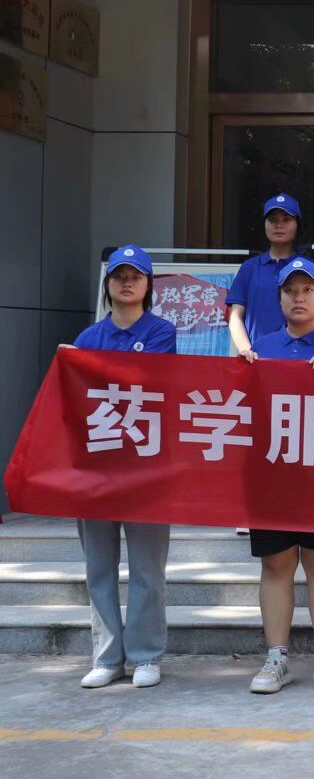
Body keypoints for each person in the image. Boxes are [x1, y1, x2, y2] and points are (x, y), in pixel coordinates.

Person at [239, 257, 314, 695]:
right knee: (275, 564)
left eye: (307, 290)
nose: (299, 298)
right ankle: (276, 658)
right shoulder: (261, 348)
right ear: (278, 299)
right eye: (290, 291)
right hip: (272, 476)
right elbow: (241, 412)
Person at [68, 245, 178, 689]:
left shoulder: (162, 332)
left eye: (135, 276)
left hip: (146, 467)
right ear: (108, 284)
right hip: (96, 467)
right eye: (118, 276)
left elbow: (147, 382)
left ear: (149, 285)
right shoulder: (87, 338)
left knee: (147, 568)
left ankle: (146, 655)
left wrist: (97, 373)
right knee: (99, 566)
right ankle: (107, 656)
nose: (126, 282)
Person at [226, 193, 302, 349]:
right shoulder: (249, 267)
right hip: (256, 356)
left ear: (297, 225)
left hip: (298, 355)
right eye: (272, 220)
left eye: (286, 219)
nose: (279, 225)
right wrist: (247, 351)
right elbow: (235, 317)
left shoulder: (307, 268)